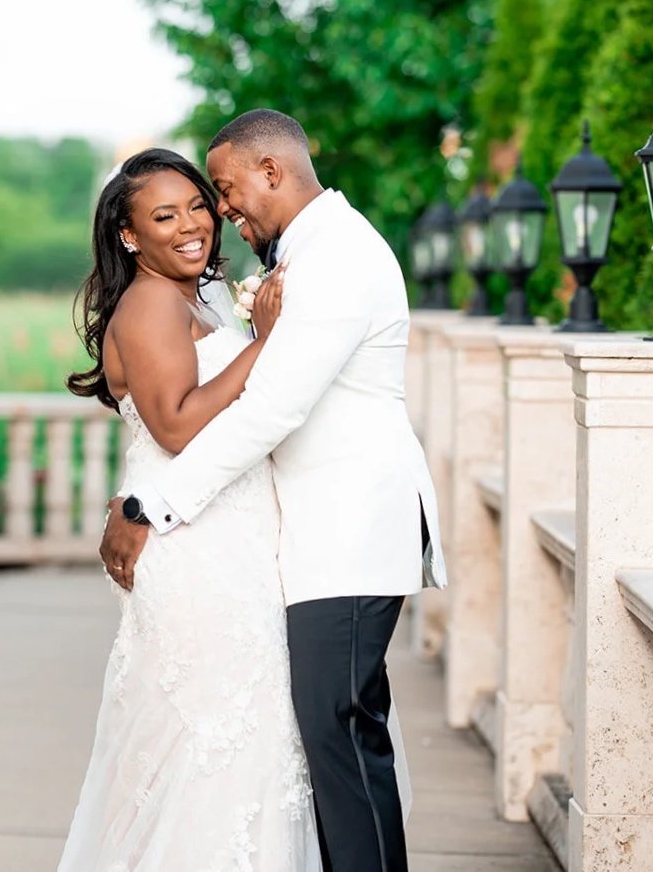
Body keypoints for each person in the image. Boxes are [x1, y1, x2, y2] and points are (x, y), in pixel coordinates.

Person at [100, 110, 447, 872]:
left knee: (335, 731)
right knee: (321, 736)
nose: (218, 213)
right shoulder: (302, 253)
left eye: (218, 192)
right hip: (297, 540)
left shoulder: (338, 257)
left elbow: (273, 407)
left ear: (270, 170)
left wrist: (149, 504)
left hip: (345, 533)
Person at [59, 147, 319, 870]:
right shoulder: (147, 304)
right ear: (128, 235)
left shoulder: (192, 296)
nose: (190, 225)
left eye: (197, 205)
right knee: (216, 737)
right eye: (163, 215)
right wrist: (263, 343)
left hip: (228, 535)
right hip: (192, 547)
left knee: (247, 735)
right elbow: (174, 423)